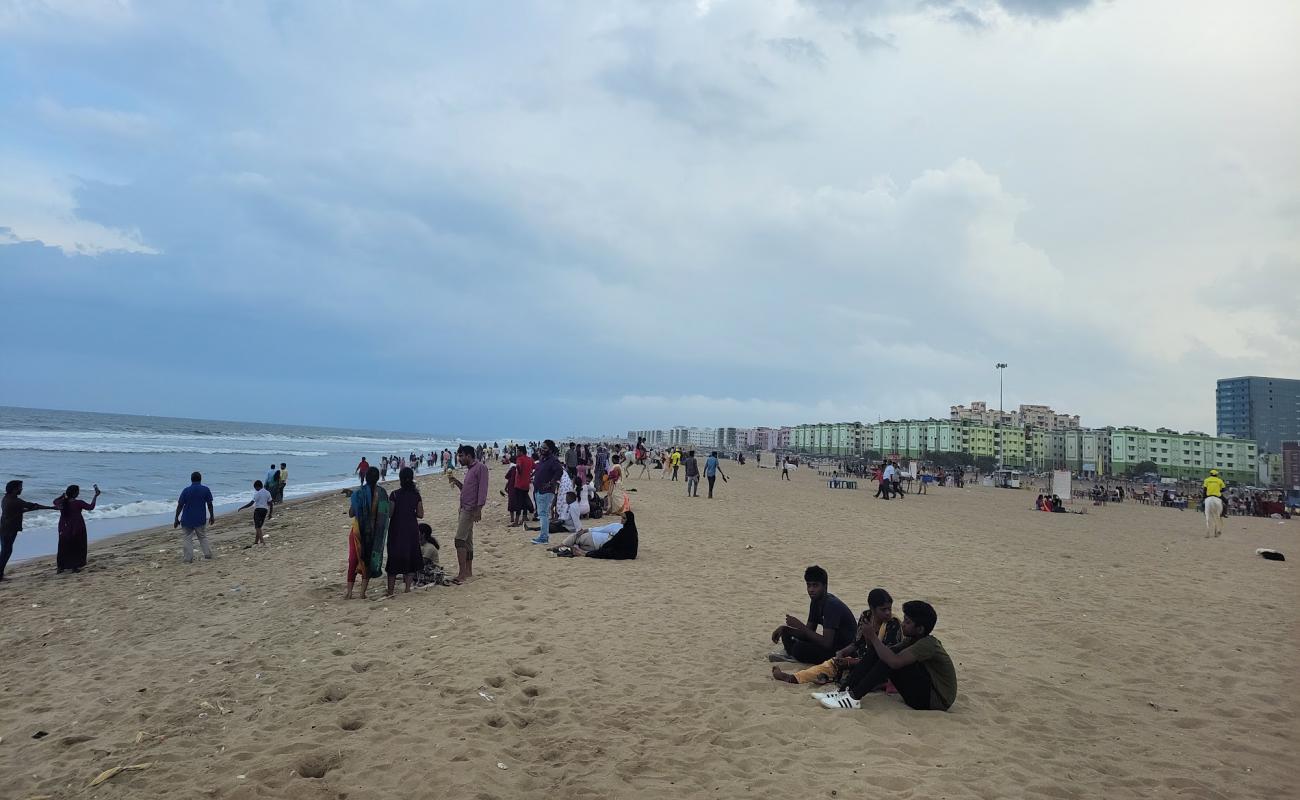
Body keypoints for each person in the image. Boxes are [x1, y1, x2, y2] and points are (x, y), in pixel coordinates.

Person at [818, 600, 957, 712]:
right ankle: (844, 691)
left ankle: (854, 697)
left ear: (920, 629)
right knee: (883, 653)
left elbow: (894, 662)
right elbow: (880, 652)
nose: (902, 624)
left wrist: (873, 637)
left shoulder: (928, 644)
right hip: (923, 694)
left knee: (890, 659)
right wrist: (870, 638)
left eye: (907, 622)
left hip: (935, 700)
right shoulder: (913, 639)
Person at [773, 588, 900, 685]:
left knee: (850, 672)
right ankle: (793, 678)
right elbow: (855, 643)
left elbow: (886, 658)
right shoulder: (866, 616)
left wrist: (852, 661)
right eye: (883, 609)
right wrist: (842, 653)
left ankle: (833, 677)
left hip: (877, 665)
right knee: (831, 663)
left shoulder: (893, 624)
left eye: (889, 609)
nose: (888, 613)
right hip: (859, 657)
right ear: (872, 608)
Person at [769, 566, 857, 664]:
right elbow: (808, 633)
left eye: (815, 585)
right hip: (830, 645)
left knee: (800, 648)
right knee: (786, 632)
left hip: (843, 651)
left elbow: (827, 643)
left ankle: (793, 655)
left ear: (825, 586)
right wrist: (785, 629)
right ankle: (791, 654)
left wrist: (799, 626)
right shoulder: (815, 601)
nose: (811, 590)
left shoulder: (831, 605)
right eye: (808, 585)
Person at [446, 444, 488, 584]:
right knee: (468, 541)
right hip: (464, 508)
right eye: (458, 455)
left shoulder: (480, 468)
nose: (459, 458)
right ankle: (468, 571)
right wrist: (456, 482)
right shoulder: (470, 470)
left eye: (461, 455)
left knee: (459, 540)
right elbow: (467, 490)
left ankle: (462, 574)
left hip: (470, 509)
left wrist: (479, 509)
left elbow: (482, 490)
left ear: (469, 456)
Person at [346, 467, 390, 599]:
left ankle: (349, 593)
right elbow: (385, 514)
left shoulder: (359, 494)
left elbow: (351, 513)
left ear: (365, 478)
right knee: (368, 561)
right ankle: (362, 593)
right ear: (377, 478)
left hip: (358, 532)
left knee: (353, 560)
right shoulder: (382, 493)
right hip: (375, 534)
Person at [1, 480, 56, 581]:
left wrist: (34, 508)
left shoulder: (6, 498)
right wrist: (51, 507)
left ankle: (1, 573)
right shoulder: (15, 501)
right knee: (6, 551)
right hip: (9, 529)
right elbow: (33, 505)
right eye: (20, 487)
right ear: (14, 489)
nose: (21, 489)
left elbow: (21, 510)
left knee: (5, 550)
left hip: (4, 528)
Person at [385, 467, 424, 596]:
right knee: (411, 556)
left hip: (396, 529)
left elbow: (390, 513)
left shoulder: (394, 495)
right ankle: (407, 588)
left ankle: (390, 590)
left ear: (400, 479)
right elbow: (420, 514)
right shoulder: (416, 495)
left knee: (394, 558)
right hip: (411, 528)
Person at [54, 483, 100, 574]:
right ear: (75, 493)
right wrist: (95, 496)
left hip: (64, 527)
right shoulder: (79, 503)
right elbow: (91, 507)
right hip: (77, 526)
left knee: (63, 547)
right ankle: (75, 567)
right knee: (77, 547)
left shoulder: (62, 502)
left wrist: (62, 496)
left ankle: (60, 567)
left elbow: (55, 501)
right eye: (78, 492)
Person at [552, 510, 638, 559]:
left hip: (623, 553)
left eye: (624, 518)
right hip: (630, 554)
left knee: (604, 551)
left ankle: (562, 547)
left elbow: (611, 538)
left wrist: (604, 546)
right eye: (622, 518)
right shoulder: (633, 530)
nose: (622, 520)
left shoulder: (622, 530)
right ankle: (577, 550)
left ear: (628, 520)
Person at [174, 471, 216, 564]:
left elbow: (180, 505)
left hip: (187, 518)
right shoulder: (205, 490)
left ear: (191, 479)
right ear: (200, 479)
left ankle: (188, 558)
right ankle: (207, 554)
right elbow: (210, 504)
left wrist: (176, 518)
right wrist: (212, 516)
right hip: (200, 518)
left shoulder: (186, 490)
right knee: (202, 537)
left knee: (187, 538)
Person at [531, 440, 564, 545]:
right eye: (541, 447)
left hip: (546, 491)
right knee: (542, 514)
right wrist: (532, 476)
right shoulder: (543, 459)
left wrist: (551, 482)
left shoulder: (553, 460)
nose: (542, 449)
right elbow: (539, 470)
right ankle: (543, 536)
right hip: (538, 489)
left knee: (543, 514)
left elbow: (560, 471)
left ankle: (544, 537)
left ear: (550, 449)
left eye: (545, 448)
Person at [238, 480, 274, 545]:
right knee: (259, 526)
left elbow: (251, 503)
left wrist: (242, 507)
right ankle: (256, 541)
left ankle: (262, 541)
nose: (255, 489)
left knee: (257, 527)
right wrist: (270, 513)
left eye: (255, 488)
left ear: (257, 487)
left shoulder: (257, 493)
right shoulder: (267, 492)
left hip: (258, 510)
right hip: (265, 510)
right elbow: (271, 503)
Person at [511, 445, 534, 527]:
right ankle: (524, 517)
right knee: (524, 502)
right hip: (526, 484)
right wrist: (530, 476)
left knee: (518, 503)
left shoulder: (519, 459)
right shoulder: (530, 459)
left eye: (517, 451)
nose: (517, 453)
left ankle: (516, 521)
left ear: (521, 451)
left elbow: (519, 467)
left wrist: (518, 469)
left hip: (519, 484)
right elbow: (535, 468)